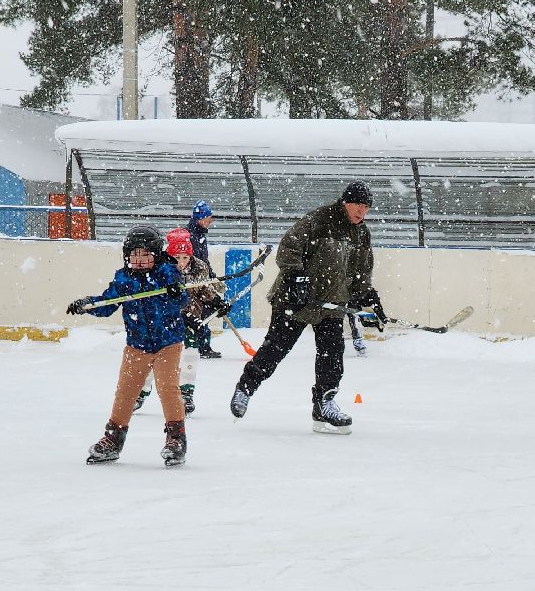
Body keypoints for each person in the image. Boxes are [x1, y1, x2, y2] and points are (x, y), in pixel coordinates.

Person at [228, 179, 385, 434]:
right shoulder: (320, 220)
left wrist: (367, 298)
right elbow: (289, 247)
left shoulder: (361, 233)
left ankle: (324, 404)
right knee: (275, 350)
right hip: (295, 300)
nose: (361, 211)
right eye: (357, 204)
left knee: (332, 355)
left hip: (331, 304)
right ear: (345, 203)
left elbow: (361, 270)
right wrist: (296, 277)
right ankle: (245, 388)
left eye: (366, 207)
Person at [65, 225, 190, 467]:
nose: (140, 260)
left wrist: (176, 293)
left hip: (168, 343)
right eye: (134, 255)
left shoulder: (167, 274)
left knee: (167, 389)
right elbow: (108, 303)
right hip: (137, 345)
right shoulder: (123, 279)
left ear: (156, 254)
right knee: (125, 392)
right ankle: (113, 439)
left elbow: (181, 300)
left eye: (145, 255)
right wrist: (87, 304)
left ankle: (176, 438)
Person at [133, 229, 230, 416]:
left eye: (185, 257)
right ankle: (139, 393)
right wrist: (184, 317)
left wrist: (217, 302)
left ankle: (186, 394)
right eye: (177, 257)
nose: (182, 262)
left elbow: (203, 289)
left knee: (191, 352)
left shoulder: (199, 266)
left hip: (191, 317)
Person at [186, 200, 223, 359]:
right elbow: (192, 262)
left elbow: (204, 261)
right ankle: (198, 346)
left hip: (202, 280)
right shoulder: (190, 236)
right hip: (194, 283)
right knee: (198, 313)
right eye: (209, 219)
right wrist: (203, 280)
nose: (210, 222)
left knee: (206, 311)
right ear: (201, 219)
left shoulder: (200, 235)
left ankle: (202, 345)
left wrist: (212, 276)